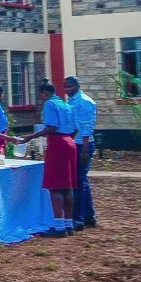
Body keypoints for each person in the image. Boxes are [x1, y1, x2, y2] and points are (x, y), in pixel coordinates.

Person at [24, 80, 77, 223]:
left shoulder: (49, 104)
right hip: (70, 142)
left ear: (45, 93)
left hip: (57, 142)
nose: (41, 98)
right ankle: (68, 223)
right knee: (68, 185)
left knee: (56, 186)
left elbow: (51, 127)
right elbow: (75, 128)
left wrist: (31, 136)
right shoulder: (66, 104)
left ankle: (59, 225)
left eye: (41, 95)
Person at [64, 75, 97, 228]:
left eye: (69, 86)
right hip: (74, 143)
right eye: (65, 86)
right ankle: (89, 216)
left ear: (77, 86)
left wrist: (84, 150)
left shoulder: (85, 102)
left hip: (82, 145)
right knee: (81, 180)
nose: (66, 89)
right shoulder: (70, 101)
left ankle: (78, 218)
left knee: (79, 181)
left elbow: (86, 127)